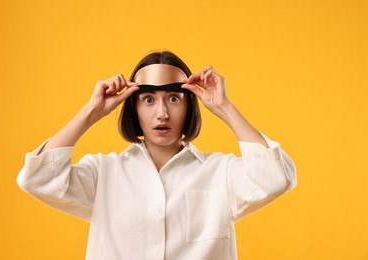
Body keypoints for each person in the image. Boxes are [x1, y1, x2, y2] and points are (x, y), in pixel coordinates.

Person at [17, 50, 297, 260]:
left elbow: (275, 179)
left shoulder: (220, 171)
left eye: (173, 99)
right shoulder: (104, 172)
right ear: (133, 108)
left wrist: (224, 107)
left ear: (190, 106)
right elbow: (37, 179)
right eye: (148, 100)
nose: (162, 114)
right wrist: (91, 112)